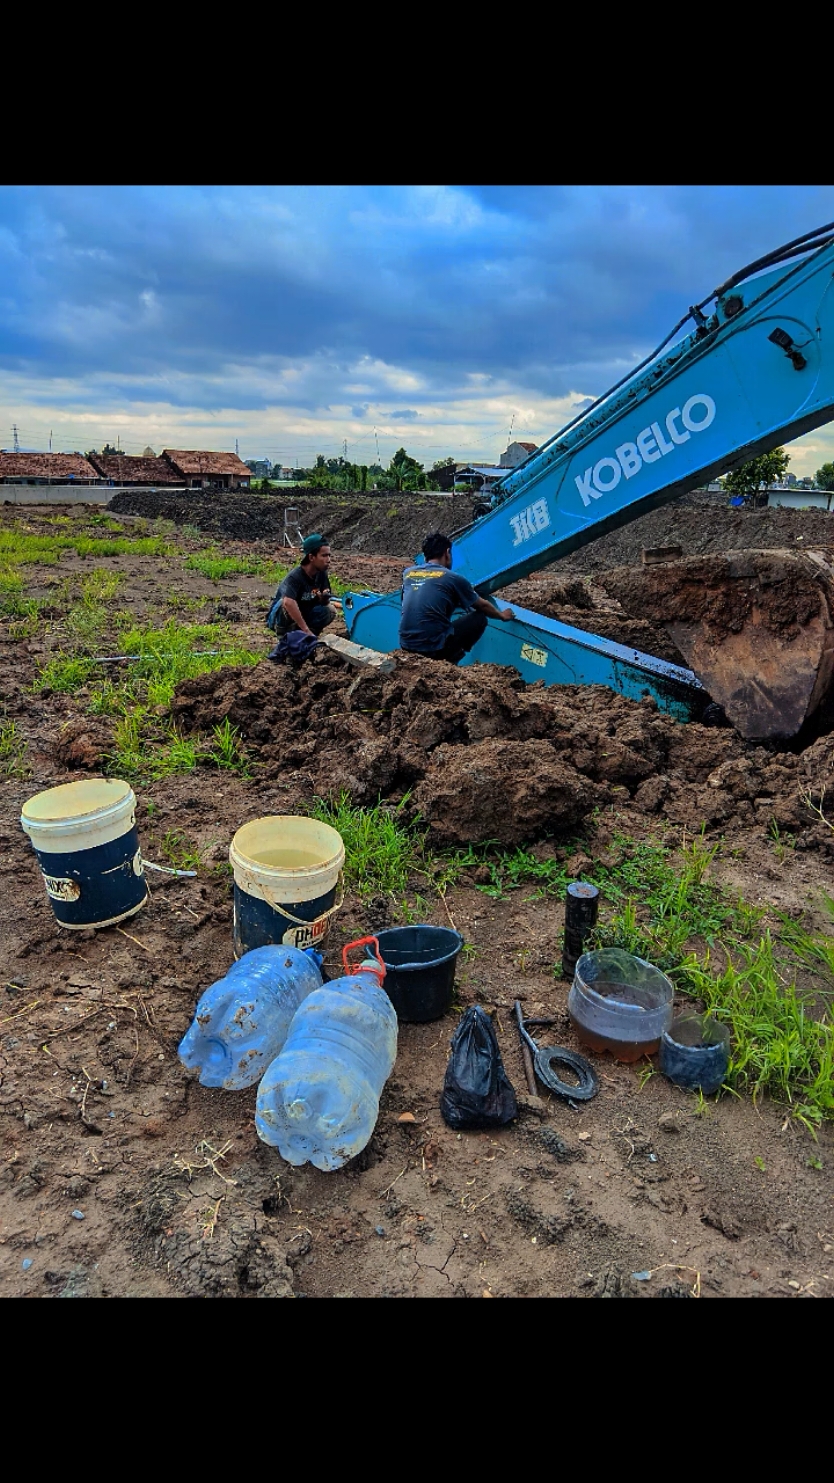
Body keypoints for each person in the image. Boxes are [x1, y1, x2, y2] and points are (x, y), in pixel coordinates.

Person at [399, 531, 514, 663]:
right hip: (433, 648)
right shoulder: (452, 578)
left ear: (425, 557)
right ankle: (450, 660)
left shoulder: (408, 574)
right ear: (447, 553)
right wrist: (502, 615)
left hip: (406, 644)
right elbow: (482, 605)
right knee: (479, 618)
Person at [267, 533, 338, 658]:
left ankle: (308, 638)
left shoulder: (321, 574)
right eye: (324, 555)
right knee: (285, 603)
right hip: (281, 617)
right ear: (311, 557)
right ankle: (285, 638)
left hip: (304, 612)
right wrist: (305, 629)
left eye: (329, 555)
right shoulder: (295, 577)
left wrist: (324, 598)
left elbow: (323, 600)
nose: (329, 559)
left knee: (329, 610)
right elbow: (288, 602)